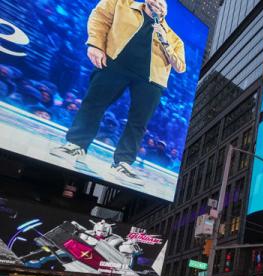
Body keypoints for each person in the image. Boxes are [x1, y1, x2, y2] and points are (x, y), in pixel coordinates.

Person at [50, 0, 186, 185]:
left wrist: (164, 39)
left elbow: (180, 67)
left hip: (151, 80)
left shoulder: (174, 38)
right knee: (94, 103)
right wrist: (96, 45)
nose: (157, 3)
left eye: (161, 2)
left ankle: (122, 163)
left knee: (138, 123)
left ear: (165, 9)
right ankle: (76, 145)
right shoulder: (121, 4)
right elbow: (100, 17)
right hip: (116, 63)